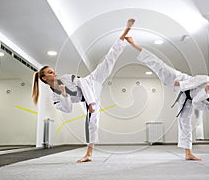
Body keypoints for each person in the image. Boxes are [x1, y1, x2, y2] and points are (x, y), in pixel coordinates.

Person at [125, 36, 209, 161]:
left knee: (186, 125)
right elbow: (198, 79)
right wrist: (182, 84)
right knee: (160, 66)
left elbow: (196, 103)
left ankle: (188, 153)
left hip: (187, 100)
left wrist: (205, 92)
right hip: (184, 81)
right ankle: (134, 44)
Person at [32, 19, 135, 163]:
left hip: (90, 83)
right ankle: (89, 154)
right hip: (85, 99)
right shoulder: (54, 97)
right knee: (92, 123)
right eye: (50, 72)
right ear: (44, 78)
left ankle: (125, 33)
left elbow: (82, 82)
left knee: (107, 61)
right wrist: (63, 93)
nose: (54, 73)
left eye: (53, 71)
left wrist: (91, 103)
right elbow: (67, 109)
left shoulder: (66, 78)